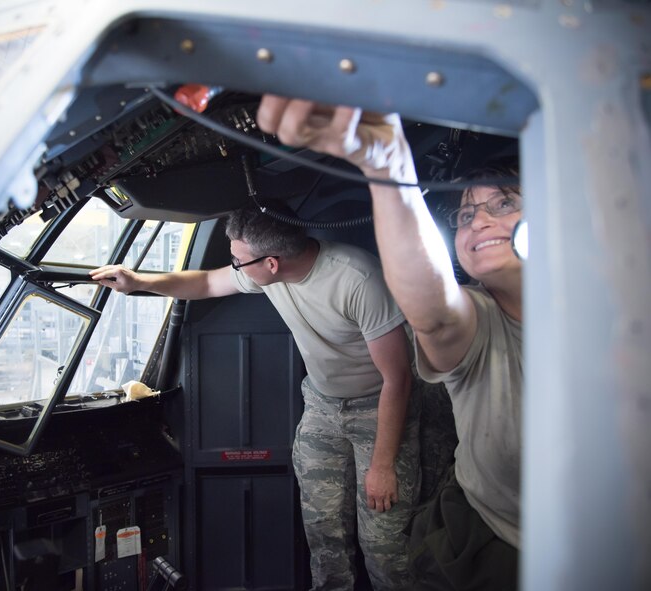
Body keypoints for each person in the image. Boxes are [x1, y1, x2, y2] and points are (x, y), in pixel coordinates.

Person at [255, 97, 521, 589]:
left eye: (503, 204)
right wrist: (387, 170)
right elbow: (434, 315)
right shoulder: (475, 319)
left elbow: (397, 377)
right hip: (493, 538)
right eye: (465, 215)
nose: (477, 221)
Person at [91, 210, 421, 590]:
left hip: (377, 408)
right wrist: (138, 282)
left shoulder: (358, 279)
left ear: (271, 263)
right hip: (322, 405)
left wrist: (381, 467)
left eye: (238, 260)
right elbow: (206, 283)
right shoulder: (264, 270)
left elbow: (398, 378)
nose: (234, 266)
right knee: (323, 530)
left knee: (384, 543)